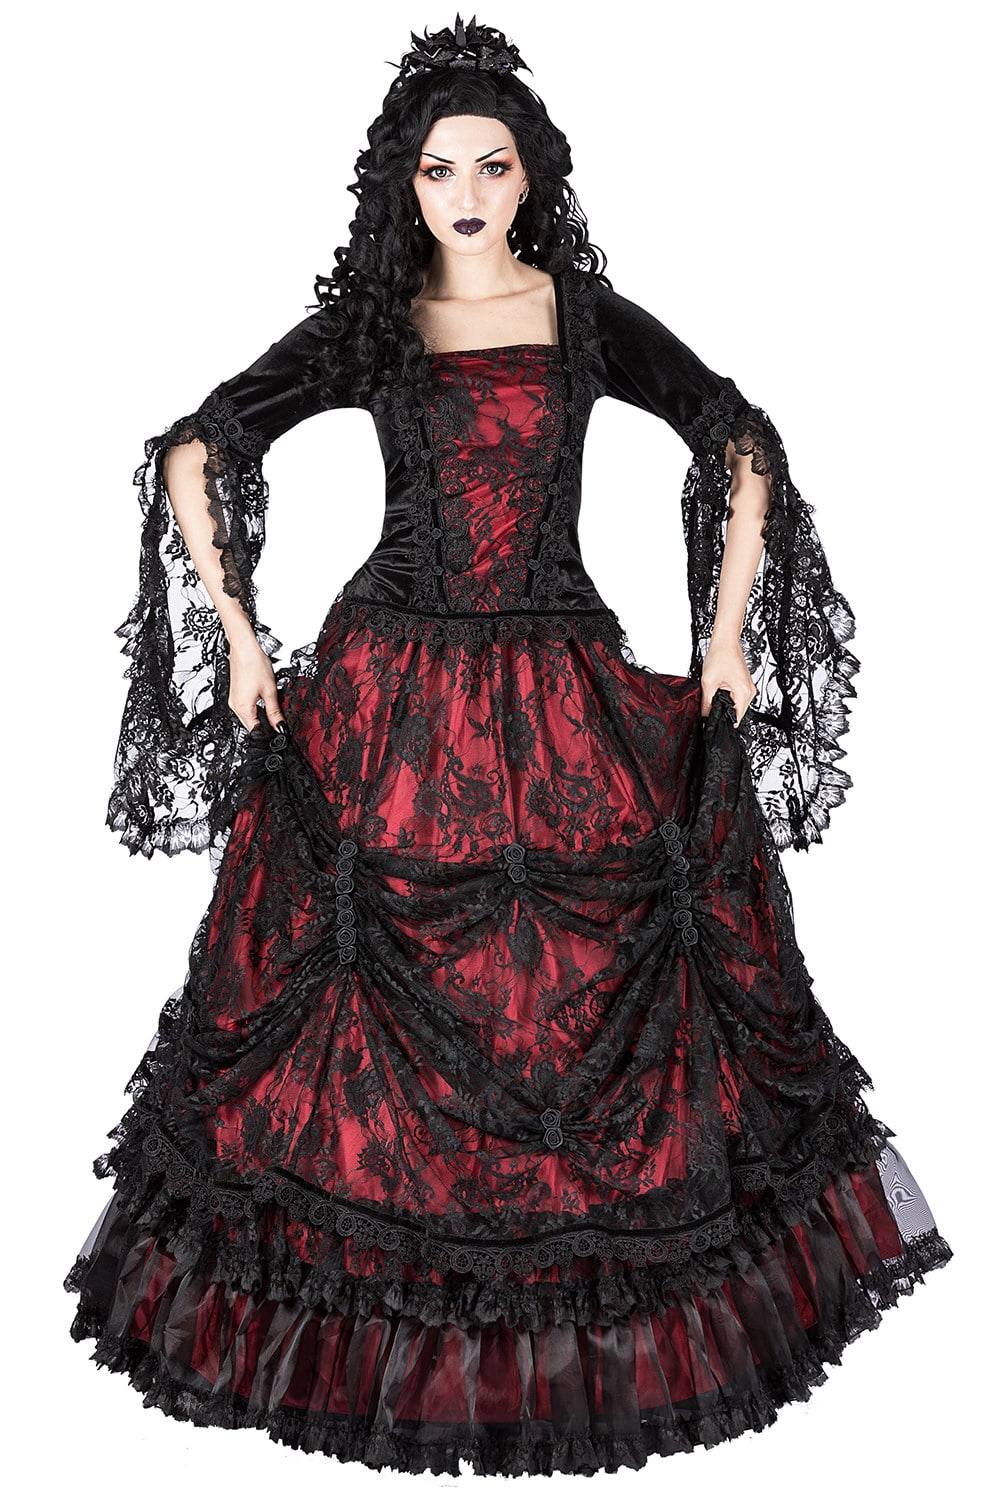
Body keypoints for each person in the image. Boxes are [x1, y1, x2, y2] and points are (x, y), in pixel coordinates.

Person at [64, 15, 953, 1477]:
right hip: (392, 692)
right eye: (438, 169)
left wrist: (727, 636)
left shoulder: (582, 317)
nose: (467, 192)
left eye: (491, 164)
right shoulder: (375, 325)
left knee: (580, 997)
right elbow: (196, 447)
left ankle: (564, 1347)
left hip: (558, 682)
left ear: (531, 174)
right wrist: (236, 635)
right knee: (351, 1009)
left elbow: (738, 438)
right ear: (403, 186)